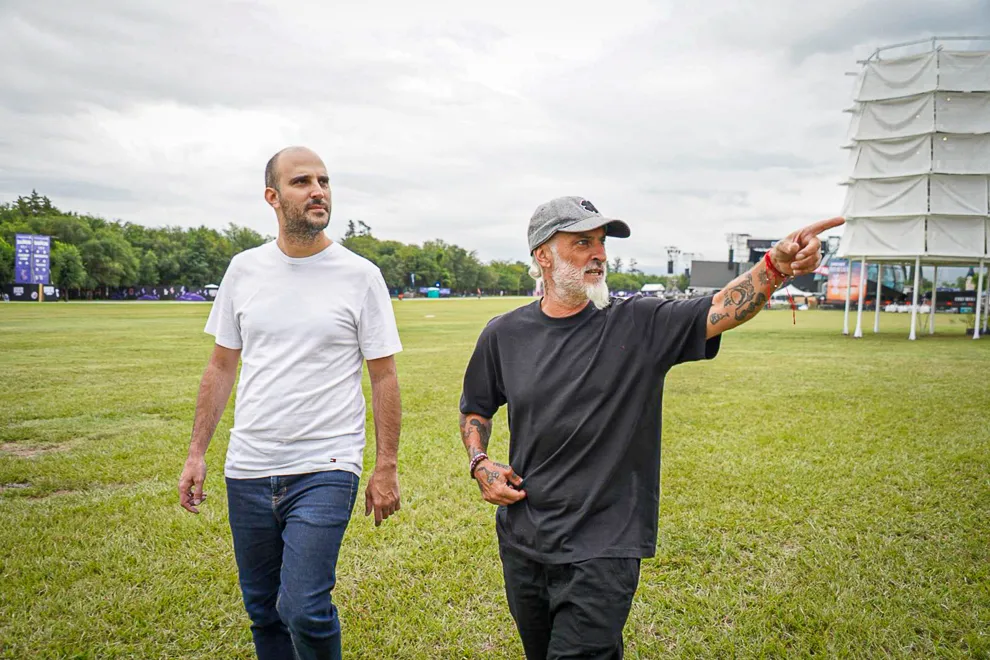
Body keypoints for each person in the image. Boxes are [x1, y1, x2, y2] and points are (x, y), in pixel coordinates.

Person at [458, 196, 842, 659]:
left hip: (604, 542)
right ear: (543, 255)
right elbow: (477, 408)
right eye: (582, 242)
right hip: (524, 540)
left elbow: (724, 307)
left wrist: (775, 268)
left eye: (601, 242)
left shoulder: (640, 322)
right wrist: (480, 463)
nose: (598, 253)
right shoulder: (503, 333)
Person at [178, 146, 403, 660]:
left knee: (302, 605)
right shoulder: (243, 270)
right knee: (262, 609)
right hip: (249, 467)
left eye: (324, 180)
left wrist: (385, 466)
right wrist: (196, 453)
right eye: (302, 181)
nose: (318, 190)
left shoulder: (360, 275)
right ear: (273, 197)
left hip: (327, 463)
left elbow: (384, 376)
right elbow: (221, 366)